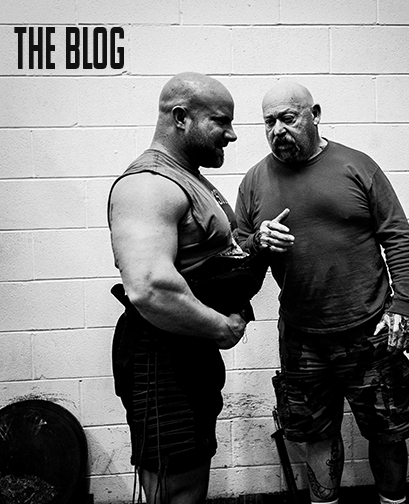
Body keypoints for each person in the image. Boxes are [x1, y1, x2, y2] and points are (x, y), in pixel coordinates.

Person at [235, 81, 409, 504]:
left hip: (369, 331)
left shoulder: (357, 166)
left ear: (314, 114)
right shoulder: (255, 181)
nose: (278, 130)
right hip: (302, 338)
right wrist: (257, 243)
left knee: (388, 431)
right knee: (314, 434)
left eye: (288, 118)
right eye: (269, 122)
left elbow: (398, 238)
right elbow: (239, 260)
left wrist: (404, 305)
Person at [108, 72, 252, 504]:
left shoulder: (186, 177)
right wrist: (221, 328)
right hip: (161, 358)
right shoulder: (148, 185)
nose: (231, 133)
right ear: (181, 118)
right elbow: (150, 289)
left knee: (190, 480)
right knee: (177, 491)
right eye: (221, 121)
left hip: (187, 352)